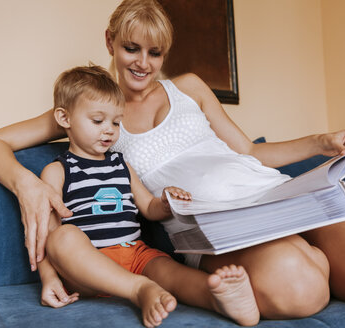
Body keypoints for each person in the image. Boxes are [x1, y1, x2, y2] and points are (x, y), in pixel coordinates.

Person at [0, 0, 345, 320]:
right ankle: (313, 260)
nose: (143, 64)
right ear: (110, 41)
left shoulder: (188, 86)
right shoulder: (92, 109)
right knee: (300, 290)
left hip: (276, 194)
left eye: (155, 52)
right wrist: (28, 184)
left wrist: (321, 142)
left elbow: (248, 151)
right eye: (131, 48)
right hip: (222, 228)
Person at [35, 64, 260, 327]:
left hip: (134, 254)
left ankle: (221, 298)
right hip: (88, 268)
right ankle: (138, 290)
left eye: (116, 122)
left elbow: (148, 207)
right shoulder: (57, 172)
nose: (109, 129)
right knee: (63, 237)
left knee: (173, 274)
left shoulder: (121, 165)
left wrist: (165, 202)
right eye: (98, 121)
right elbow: (48, 236)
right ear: (64, 118)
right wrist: (49, 279)